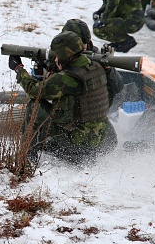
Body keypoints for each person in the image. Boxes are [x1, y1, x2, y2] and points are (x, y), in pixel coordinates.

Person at [9, 31, 115, 165]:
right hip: (100, 137)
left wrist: (19, 69)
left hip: (78, 142)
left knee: (35, 105)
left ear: (66, 55)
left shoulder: (67, 78)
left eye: (57, 55)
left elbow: (35, 91)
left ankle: (25, 157)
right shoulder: (96, 66)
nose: (55, 59)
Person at [62, 19, 124, 108]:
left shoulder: (96, 56)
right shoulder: (57, 53)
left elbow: (118, 87)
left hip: (93, 110)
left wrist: (108, 69)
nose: (81, 46)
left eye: (83, 41)